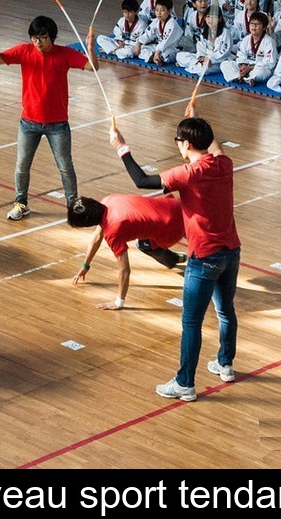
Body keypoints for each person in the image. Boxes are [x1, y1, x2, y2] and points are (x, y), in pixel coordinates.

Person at [110, 109, 241, 401]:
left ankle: (185, 383)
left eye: (178, 140)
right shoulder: (224, 163)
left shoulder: (189, 174)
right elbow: (214, 148)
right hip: (231, 251)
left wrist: (121, 147)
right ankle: (225, 364)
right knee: (226, 310)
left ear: (187, 145)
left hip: (204, 256)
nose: (177, 145)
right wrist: (198, 123)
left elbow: (142, 181)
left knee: (191, 322)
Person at [0, 16, 92, 220]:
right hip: (28, 123)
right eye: (34, 38)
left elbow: (91, 66)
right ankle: (21, 203)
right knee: (22, 165)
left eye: (42, 38)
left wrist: (90, 48)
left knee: (65, 167)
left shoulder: (65, 54)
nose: (37, 42)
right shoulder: (24, 51)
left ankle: (73, 206)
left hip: (58, 124)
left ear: (52, 37)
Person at [67, 195, 185, 310]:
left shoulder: (113, 230)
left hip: (171, 227)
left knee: (143, 245)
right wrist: (85, 265)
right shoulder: (108, 200)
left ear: (87, 223)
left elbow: (124, 270)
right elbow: (97, 236)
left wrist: (119, 302)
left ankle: (174, 259)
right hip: (177, 206)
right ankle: (176, 258)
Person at [220, 11, 277, 86]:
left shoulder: (269, 41)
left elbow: (270, 63)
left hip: (258, 69)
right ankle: (242, 77)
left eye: (257, 24)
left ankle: (245, 77)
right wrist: (243, 66)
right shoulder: (246, 39)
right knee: (224, 64)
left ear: (264, 27)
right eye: (252, 24)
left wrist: (250, 68)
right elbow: (241, 55)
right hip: (246, 66)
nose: (254, 27)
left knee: (262, 72)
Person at [176, 9, 233, 76]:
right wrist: (201, 57)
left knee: (203, 71)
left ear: (219, 19)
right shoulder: (204, 32)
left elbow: (224, 51)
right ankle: (197, 64)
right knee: (179, 55)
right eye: (208, 17)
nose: (210, 20)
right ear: (205, 18)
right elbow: (200, 48)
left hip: (218, 61)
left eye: (213, 17)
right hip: (205, 59)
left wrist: (210, 59)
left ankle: (194, 65)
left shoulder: (225, 32)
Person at [133, 0, 183, 66]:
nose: (159, 13)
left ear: (170, 11)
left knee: (165, 56)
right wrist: (139, 44)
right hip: (159, 47)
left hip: (172, 49)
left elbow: (166, 42)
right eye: (156, 10)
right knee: (141, 49)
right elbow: (147, 34)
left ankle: (153, 56)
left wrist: (157, 52)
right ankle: (154, 57)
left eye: (162, 10)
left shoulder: (172, 24)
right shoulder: (156, 21)